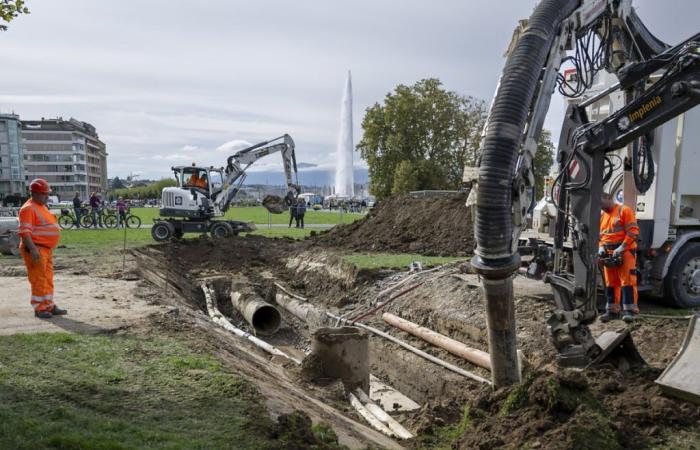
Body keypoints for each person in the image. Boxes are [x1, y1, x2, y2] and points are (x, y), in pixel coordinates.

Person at [18, 179, 67, 319]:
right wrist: (33, 250)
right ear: (34, 194)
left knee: (47, 278)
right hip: (36, 249)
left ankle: (48, 305)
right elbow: (25, 232)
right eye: (44, 194)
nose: (47, 196)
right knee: (38, 279)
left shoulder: (41, 206)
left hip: (45, 249)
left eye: (47, 193)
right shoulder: (28, 208)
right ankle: (39, 307)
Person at [598, 192, 640, 322]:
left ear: (608, 198)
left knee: (627, 281)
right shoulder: (603, 216)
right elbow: (601, 236)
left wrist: (621, 247)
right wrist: (601, 247)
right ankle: (612, 311)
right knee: (611, 283)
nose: (600, 206)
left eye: (601, 203)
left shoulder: (624, 210)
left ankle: (630, 311)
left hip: (625, 252)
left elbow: (633, 232)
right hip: (609, 253)